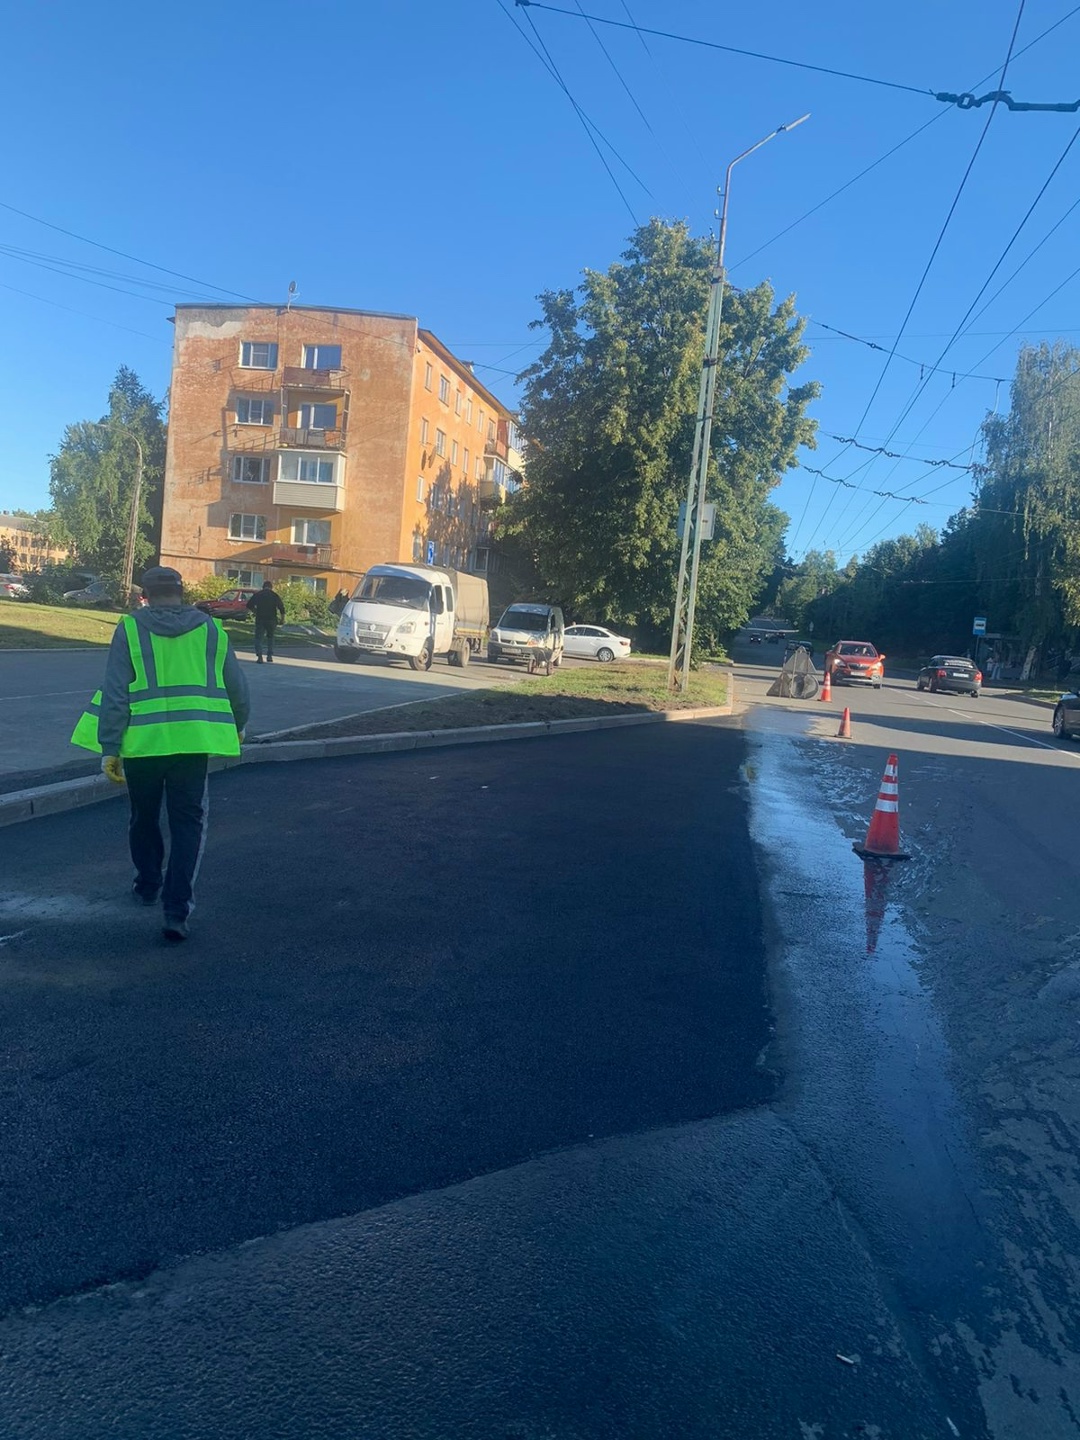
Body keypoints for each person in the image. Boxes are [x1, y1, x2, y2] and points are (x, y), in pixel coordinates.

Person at [70, 566, 250, 942]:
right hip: (191, 744)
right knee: (188, 825)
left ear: (145, 596)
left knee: (143, 817)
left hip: (143, 746)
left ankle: (148, 885)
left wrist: (110, 748)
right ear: (181, 593)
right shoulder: (211, 629)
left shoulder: (130, 628)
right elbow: (237, 686)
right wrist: (239, 722)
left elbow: (116, 691)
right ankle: (176, 910)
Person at [246, 579, 286, 662]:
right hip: (272, 620)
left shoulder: (258, 595)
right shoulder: (274, 595)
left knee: (258, 638)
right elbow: (281, 608)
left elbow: (249, 605)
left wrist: (255, 612)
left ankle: (259, 656)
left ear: (263, 587)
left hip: (260, 618)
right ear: (271, 587)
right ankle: (269, 656)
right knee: (270, 637)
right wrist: (282, 619)